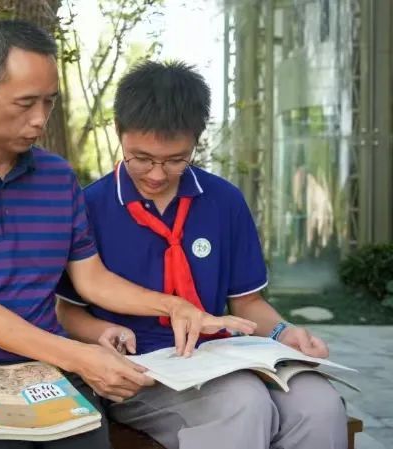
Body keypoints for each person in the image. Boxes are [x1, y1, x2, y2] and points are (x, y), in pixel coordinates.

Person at [0, 21, 255, 449]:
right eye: (26, 103)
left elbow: (92, 279)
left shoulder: (57, 177)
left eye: (49, 102)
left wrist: (175, 306)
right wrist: (80, 356)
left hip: (46, 364)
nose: (39, 119)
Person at [56, 60, 347, 449]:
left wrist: (285, 333)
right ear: (119, 132)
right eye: (141, 158)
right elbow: (67, 312)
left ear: (196, 141)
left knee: (320, 405)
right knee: (242, 403)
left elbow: (248, 304)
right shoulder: (91, 206)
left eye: (176, 160)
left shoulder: (223, 201)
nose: (157, 174)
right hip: (141, 372)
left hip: (223, 356)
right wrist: (101, 334)